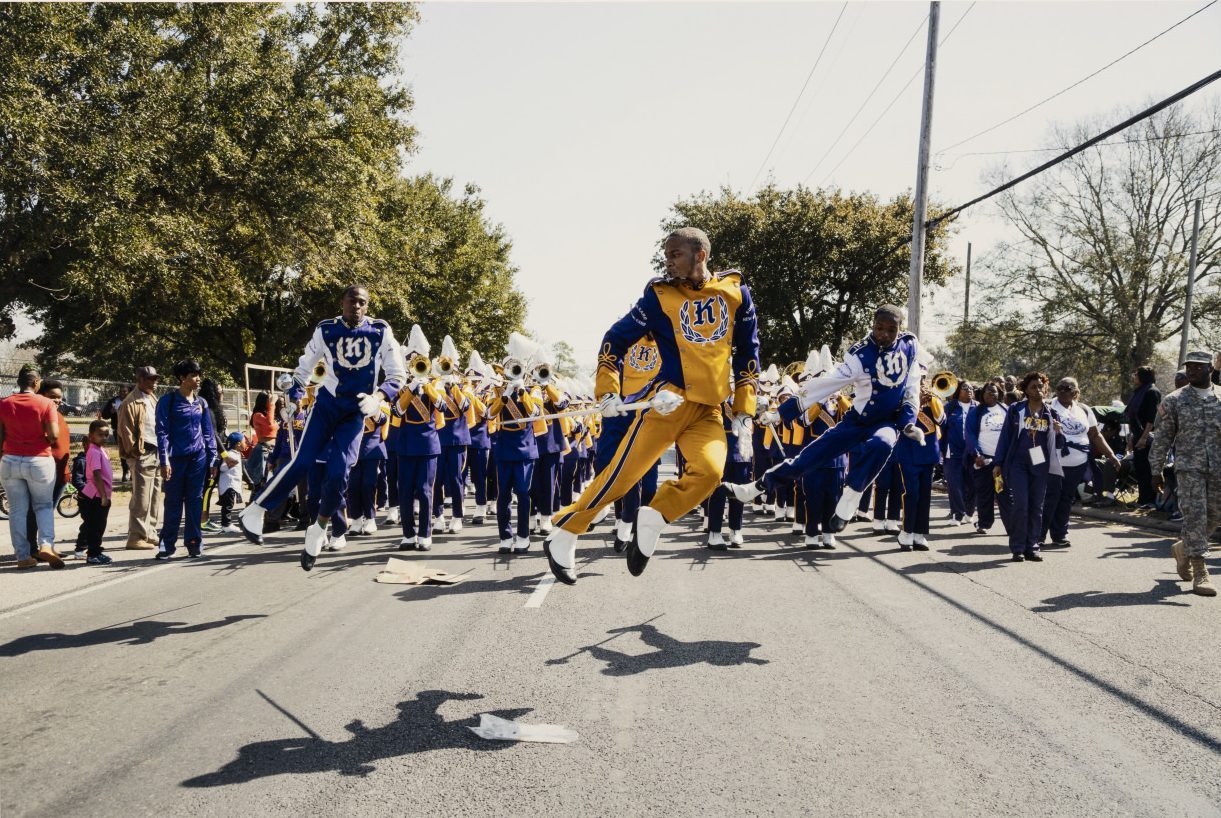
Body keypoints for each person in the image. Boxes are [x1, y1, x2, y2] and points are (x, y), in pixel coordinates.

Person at [544, 227, 761, 583]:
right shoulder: (659, 297)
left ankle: (655, 516)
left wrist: (743, 409)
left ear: (700, 255)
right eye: (667, 254)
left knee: (709, 473)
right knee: (620, 476)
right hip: (667, 403)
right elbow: (614, 340)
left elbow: (749, 353)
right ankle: (565, 533)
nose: (668, 260)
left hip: (709, 408)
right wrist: (608, 392)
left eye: (675, 254)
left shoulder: (737, 292)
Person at [240, 285, 406, 571]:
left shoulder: (380, 331)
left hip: (356, 410)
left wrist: (378, 399)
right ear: (342, 302)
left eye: (362, 302)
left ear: (368, 306)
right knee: (302, 461)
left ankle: (320, 528)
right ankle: (255, 510)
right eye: (352, 301)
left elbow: (397, 374)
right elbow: (303, 369)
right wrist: (293, 398)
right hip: (327, 406)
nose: (356, 306)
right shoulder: (326, 330)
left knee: (340, 472)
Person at [724, 305, 925, 535]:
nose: (885, 335)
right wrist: (781, 412)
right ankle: (755, 488)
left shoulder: (910, 345)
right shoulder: (859, 355)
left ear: (900, 329)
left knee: (882, 443)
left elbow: (911, 388)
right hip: (856, 421)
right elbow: (823, 386)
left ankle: (851, 498)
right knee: (806, 459)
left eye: (892, 329)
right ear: (873, 326)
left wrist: (908, 422)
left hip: (887, 421)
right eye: (880, 328)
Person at [1150, 351, 1220, 597]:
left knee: (1215, 515)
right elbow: (1162, 438)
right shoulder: (1174, 400)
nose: (1191, 371)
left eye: (1198, 367)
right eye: (1189, 366)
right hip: (1189, 468)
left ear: (1210, 369)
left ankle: (1183, 547)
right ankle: (1200, 570)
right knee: (1195, 516)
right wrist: (1155, 470)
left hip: (1218, 469)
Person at [1042, 377, 1120, 548]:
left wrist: (1111, 455)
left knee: (1066, 498)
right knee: (1050, 498)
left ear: (1076, 392)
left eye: (1067, 388)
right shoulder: (1047, 406)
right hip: (1054, 462)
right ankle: (1038, 535)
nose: (1062, 391)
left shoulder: (1084, 409)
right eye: (1059, 387)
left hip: (1078, 463)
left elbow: (1095, 435)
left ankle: (1059, 535)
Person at [993, 372, 1062, 563]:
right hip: (1018, 463)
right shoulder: (1016, 410)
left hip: (1040, 463)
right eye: (1034, 387)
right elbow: (1005, 437)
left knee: (1036, 506)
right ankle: (1017, 548)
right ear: (1025, 390)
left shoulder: (1051, 413)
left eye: (1041, 386)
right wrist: (998, 463)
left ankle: (1033, 546)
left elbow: (1059, 445)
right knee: (1021, 504)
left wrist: (1059, 431)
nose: (1038, 390)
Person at [0, 366, 63, 569]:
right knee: (43, 506)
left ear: (19, 383)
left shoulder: (4, 403)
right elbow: (53, 435)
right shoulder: (45, 403)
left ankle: (23, 556)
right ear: (36, 383)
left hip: (9, 460)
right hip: (38, 460)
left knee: (17, 510)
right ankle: (46, 544)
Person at [155, 359, 218, 560]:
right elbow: (162, 432)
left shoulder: (202, 403)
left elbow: (208, 432)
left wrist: (213, 459)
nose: (197, 379)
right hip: (176, 459)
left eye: (198, 374)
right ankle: (167, 545)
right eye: (192, 375)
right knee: (173, 502)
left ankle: (194, 543)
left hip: (198, 459)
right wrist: (164, 460)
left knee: (195, 501)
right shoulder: (168, 401)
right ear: (182, 378)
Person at [117, 366, 163, 550]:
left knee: (154, 496)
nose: (153, 382)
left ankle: (149, 533)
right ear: (140, 379)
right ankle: (135, 536)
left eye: (155, 379)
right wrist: (137, 454)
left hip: (158, 452)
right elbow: (125, 431)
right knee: (141, 497)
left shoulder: (152, 398)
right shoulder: (130, 402)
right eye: (149, 379)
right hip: (143, 453)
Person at [25, 378, 71, 557]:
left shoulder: (57, 415)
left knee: (47, 514)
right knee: (36, 513)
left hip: (60, 474)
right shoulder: (39, 415)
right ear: (41, 396)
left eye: (59, 397)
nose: (57, 400)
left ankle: (47, 547)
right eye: (52, 396)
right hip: (44, 474)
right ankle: (31, 549)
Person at [895, 382, 944, 551]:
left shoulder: (934, 401)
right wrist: (915, 403)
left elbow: (941, 420)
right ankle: (907, 531)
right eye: (918, 380)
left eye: (923, 380)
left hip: (928, 453)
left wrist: (933, 401)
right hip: (908, 454)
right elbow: (899, 422)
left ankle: (919, 533)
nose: (921, 384)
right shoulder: (902, 398)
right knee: (912, 493)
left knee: (924, 495)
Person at [965, 382, 1009, 535]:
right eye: (988, 392)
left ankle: (1011, 526)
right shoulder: (976, 412)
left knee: (1002, 492)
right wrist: (977, 454)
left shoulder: (1006, 410)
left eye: (995, 392)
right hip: (984, 461)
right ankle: (984, 523)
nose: (992, 394)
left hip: (1001, 462)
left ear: (1000, 394)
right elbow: (969, 434)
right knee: (985, 494)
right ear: (982, 394)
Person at [77, 420, 115, 565]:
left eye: (106, 435)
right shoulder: (93, 451)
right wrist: (103, 496)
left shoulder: (100, 450)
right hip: (95, 496)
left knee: (99, 525)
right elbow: (97, 474)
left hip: (100, 494)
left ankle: (96, 551)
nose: (104, 438)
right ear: (91, 436)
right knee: (95, 526)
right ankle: (93, 554)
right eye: (100, 435)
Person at [1125, 365, 1161, 509]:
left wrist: (1144, 438)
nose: (1134, 377)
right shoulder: (1139, 392)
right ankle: (1142, 499)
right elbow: (1133, 416)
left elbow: (1152, 418)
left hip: (1147, 436)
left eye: (1136, 375)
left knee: (1146, 469)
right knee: (1140, 468)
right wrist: (1132, 438)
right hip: (1138, 435)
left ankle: (1149, 500)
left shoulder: (1152, 392)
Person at [941, 379, 976, 524]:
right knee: (954, 484)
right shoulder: (949, 407)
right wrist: (942, 449)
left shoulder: (978, 407)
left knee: (972, 484)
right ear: (957, 391)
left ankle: (969, 511)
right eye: (965, 388)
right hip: (953, 451)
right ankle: (957, 514)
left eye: (970, 388)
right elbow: (942, 429)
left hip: (973, 453)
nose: (969, 390)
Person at [217, 432, 247, 534]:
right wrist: (231, 464)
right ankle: (226, 525)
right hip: (228, 485)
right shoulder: (229, 454)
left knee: (230, 504)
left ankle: (227, 523)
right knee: (227, 505)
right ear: (238, 443)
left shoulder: (237, 454)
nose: (246, 443)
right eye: (244, 441)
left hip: (233, 484)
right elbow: (222, 467)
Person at [247, 391, 278, 491]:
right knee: (261, 481)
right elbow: (269, 423)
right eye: (268, 400)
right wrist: (272, 404)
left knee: (271, 480)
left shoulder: (269, 414)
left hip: (273, 449)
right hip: (264, 449)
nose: (270, 401)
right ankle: (254, 502)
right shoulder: (257, 415)